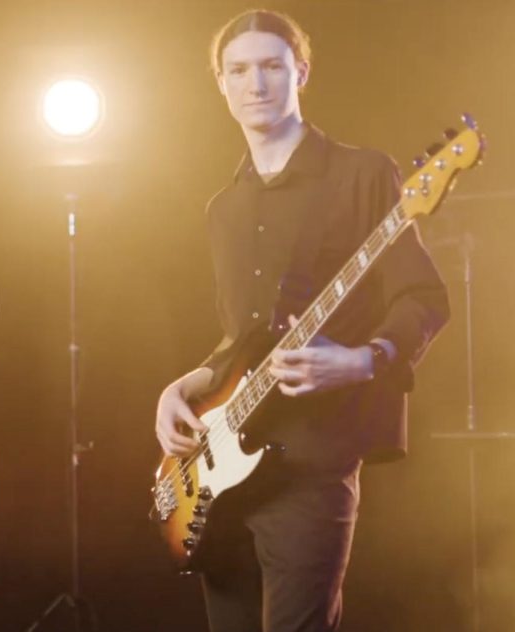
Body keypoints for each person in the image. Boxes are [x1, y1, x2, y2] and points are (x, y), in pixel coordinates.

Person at [153, 10, 450, 632]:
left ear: (301, 72)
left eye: (271, 67)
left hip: (314, 462)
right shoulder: (224, 208)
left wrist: (365, 358)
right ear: (221, 84)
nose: (255, 84)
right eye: (238, 70)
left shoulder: (363, 174)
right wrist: (184, 386)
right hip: (223, 472)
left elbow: (423, 297)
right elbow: (244, 337)